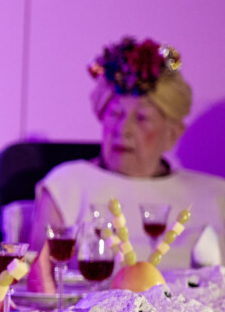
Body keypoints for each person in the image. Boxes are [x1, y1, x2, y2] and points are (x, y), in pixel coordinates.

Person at [33, 37, 225, 269]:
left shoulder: (215, 195)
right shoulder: (66, 186)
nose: (123, 130)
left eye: (142, 118)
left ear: (172, 134)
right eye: (115, 114)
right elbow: (41, 278)